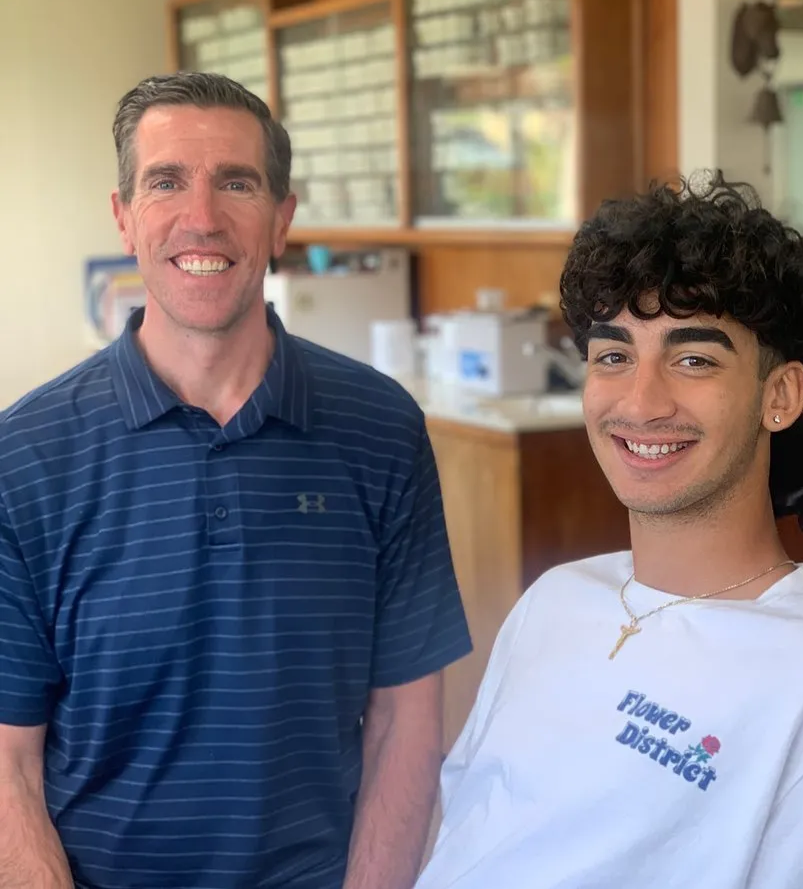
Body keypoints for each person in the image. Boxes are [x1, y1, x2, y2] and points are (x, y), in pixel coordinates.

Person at [0, 72, 472, 889]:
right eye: (165, 182)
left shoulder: (380, 429)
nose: (202, 217)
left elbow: (405, 719)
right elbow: (8, 761)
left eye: (236, 183)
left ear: (282, 217)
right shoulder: (25, 456)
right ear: (123, 215)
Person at [413, 173, 803, 889]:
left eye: (693, 359)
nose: (640, 403)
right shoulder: (553, 598)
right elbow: (462, 827)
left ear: (780, 394)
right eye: (613, 356)